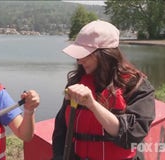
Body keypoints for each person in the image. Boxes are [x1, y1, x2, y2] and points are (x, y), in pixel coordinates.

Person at [52, 20, 155, 160]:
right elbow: (61, 129)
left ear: (105, 54)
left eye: (84, 54)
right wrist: (58, 156)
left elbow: (132, 136)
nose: (78, 61)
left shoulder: (138, 86)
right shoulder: (76, 82)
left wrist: (92, 105)